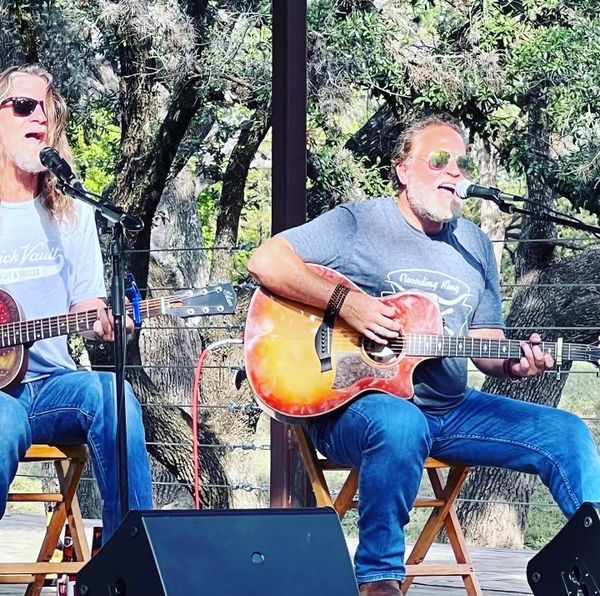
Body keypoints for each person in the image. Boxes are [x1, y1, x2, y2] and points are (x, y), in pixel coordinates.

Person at [247, 113, 600, 595]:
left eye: (462, 163)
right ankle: (378, 579)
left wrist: (516, 364)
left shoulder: (474, 244)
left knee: (565, 431)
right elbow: (266, 260)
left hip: (450, 411)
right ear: (403, 169)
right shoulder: (359, 223)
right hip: (354, 408)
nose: (453, 172)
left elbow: (488, 344)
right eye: (438, 160)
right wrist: (350, 304)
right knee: (400, 423)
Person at [0, 63, 153, 541]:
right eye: (25, 106)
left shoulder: (72, 211)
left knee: (114, 397)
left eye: (48, 110)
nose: (39, 119)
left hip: (53, 387)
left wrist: (105, 323)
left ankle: (131, 564)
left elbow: (87, 302)